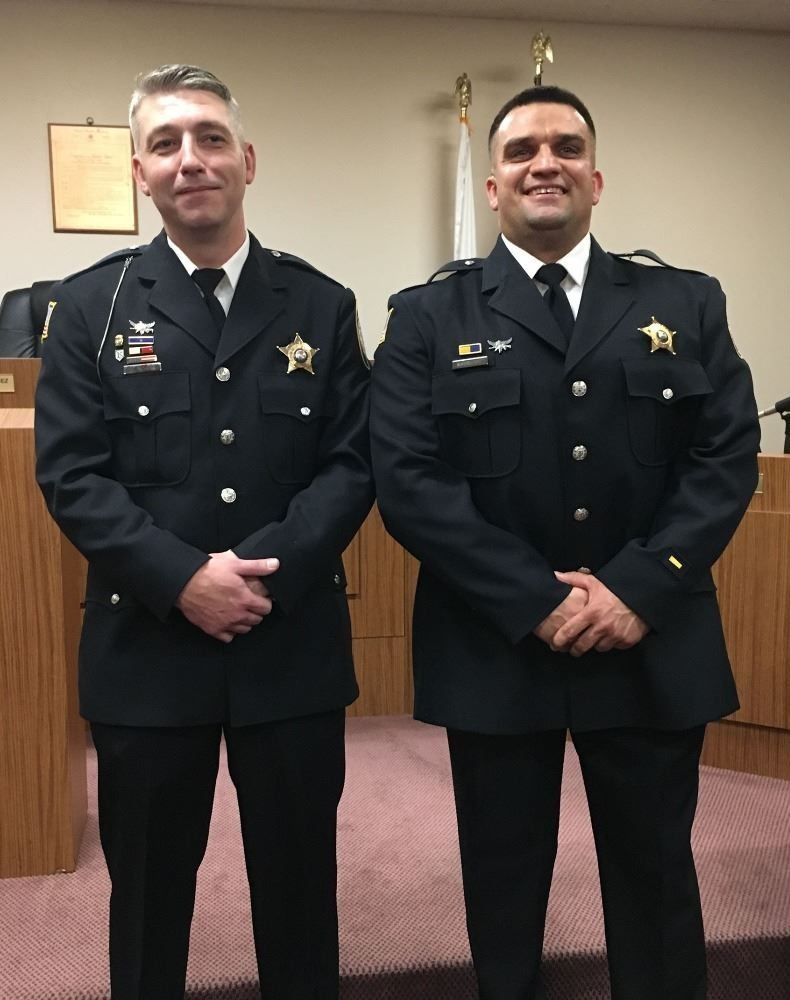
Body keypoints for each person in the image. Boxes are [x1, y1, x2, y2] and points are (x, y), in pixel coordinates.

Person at [370, 85, 759, 1000]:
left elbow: (723, 457)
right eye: (521, 150)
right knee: (502, 875)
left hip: (648, 635)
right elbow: (409, 481)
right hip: (497, 642)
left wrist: (638, 589)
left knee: (655, 870)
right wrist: (536, 600)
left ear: (596, 177)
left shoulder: (685, 300)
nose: (545, 162)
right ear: (493, 187)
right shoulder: (428, 317)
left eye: (567, 147)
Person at [35, 64, 372, 1000]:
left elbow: (352, 465)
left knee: (300, 896)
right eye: (166, 143)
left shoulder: (321, 304)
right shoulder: (90, 308)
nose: (191, 159)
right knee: (147, 902)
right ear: (140, 172)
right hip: (147, 650)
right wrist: (182, 578)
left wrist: (266, 576)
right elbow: (71, 474)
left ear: (247, 160)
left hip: (288, 644)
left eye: (211, 138)